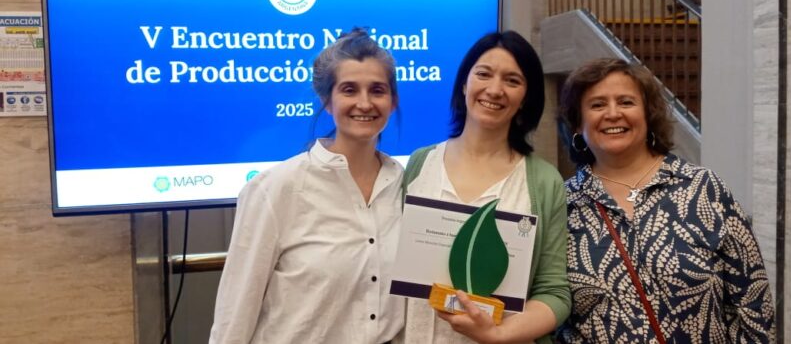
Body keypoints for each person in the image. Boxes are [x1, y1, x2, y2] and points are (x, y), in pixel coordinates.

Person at [555, 58, 775, 343]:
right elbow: (552, 311)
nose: (613, 113)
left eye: (626, 102)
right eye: (597, 105)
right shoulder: (562, 204)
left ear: (648, 114)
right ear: (577, 123)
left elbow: (754, 303)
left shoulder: (703, 188)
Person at [209, 29, 404, 343]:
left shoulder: (405, 187)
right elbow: (235, 315)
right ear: (327, 100)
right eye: (349, 90)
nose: (364, 103)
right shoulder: (275, 189)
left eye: (377, 90)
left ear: (393, 101)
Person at [402, 31, 571, 344]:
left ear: (526, 98)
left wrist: (498, 334)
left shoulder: (545, 182)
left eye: (512, 80)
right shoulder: (420, 163)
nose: (494, 90)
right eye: (483, 74)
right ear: (464, 84)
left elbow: (554, 293)